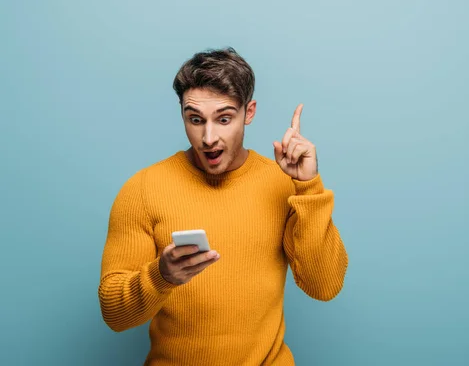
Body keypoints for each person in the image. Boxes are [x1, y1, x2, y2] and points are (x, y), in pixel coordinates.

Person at [98, 47, 349, 365]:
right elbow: (114, 316)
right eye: (195, 120)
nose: (208, 137)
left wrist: (309, 186)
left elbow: (324, 285)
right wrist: (161, 275)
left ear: (250, 112)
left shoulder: (283, 184)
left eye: (225, 118)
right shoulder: (142, 190)